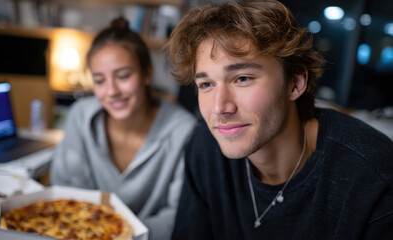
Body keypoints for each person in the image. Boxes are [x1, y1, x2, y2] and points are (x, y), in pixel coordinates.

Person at [166, 1, 393, 239]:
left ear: (295, 83)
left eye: (242, 78)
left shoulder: (373, 177)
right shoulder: (204, 148)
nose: (220, 108)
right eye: (206, 84)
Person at [50, 17, 197, 240]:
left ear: (147, 74)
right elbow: (64, 191)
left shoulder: (184, 131)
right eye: (99, 80)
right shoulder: (80, 115)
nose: (112, 91)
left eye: (123, 76)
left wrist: (116, 234)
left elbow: (178, 216)